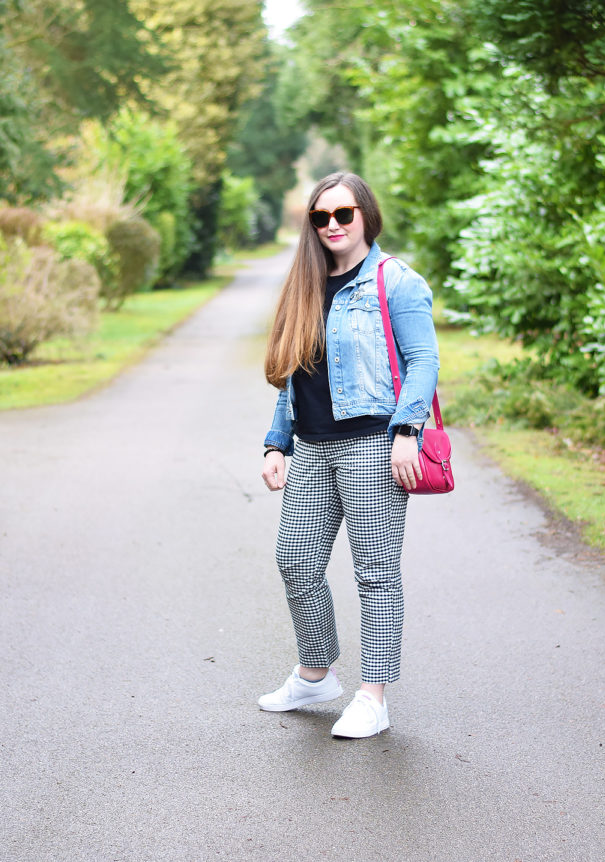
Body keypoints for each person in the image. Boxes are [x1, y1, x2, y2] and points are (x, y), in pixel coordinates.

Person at [258, 172, 439, 738]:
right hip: (312, 448)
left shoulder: (396, 281)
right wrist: (277, 442)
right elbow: (293, 375)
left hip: (372, 445)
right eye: (321, 216)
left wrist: (407, 430)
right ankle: (316, 674)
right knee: (296, 561)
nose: (332, 224)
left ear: (366, 215)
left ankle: (373, 698)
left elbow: (424, 361)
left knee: (375, 572)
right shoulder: (305, 286)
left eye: (343, 213)